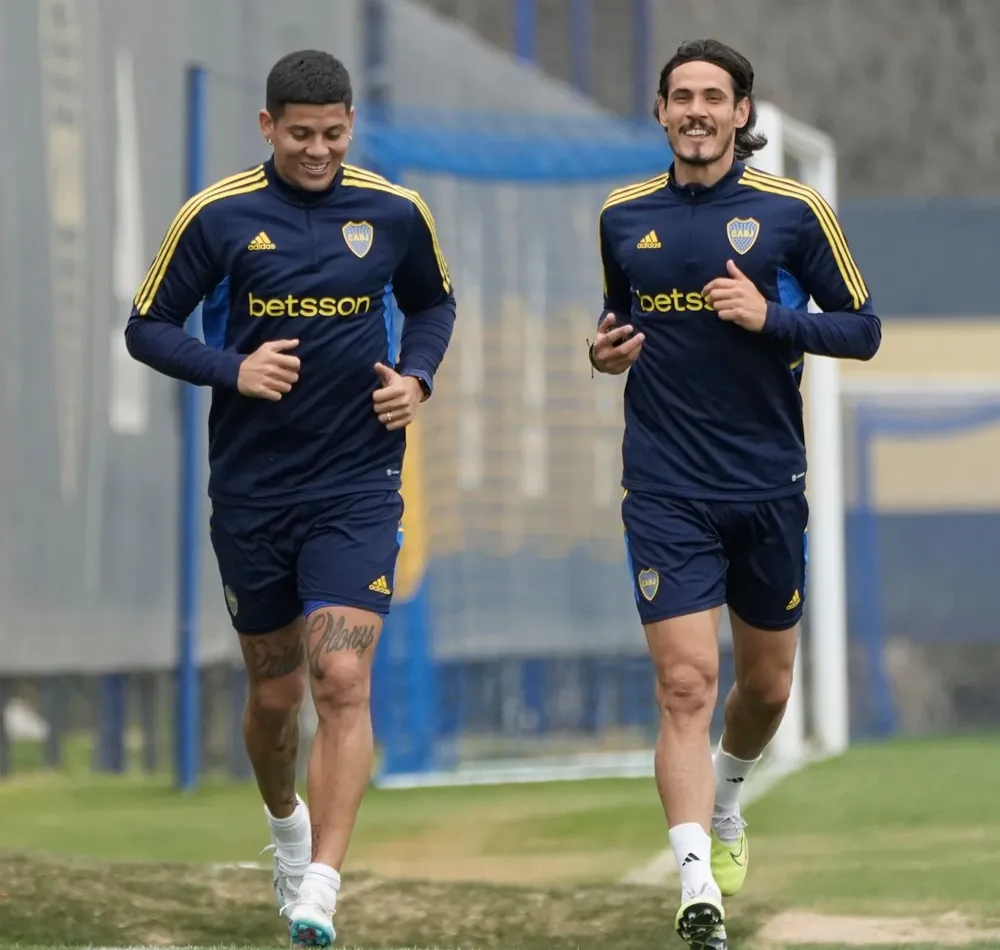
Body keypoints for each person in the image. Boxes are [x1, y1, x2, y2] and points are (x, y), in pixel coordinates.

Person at [125, 49, 456, 947]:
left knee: (341, 678)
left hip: (358, 483)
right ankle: (285, 829)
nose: (318, 151)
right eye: (301, 134)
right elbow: (146, 327)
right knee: (275, 698)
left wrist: (417, 378)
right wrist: (232, 368)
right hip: (254, 491)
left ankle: (322, 887)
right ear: (268, 126)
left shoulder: (394, 211)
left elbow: (433, 306)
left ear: (351, 125)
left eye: (334, 134)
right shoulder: (217, 215)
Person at [590, 38, 880, 950]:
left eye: (713, 97)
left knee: (766, 686)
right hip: (664, 486)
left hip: (766, 485)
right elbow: (618, 319)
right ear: (661, 112)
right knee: (686, 683)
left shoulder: (792, 212)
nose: (696, 111)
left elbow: (863, 329)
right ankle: (696, 889)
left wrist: (771, 318)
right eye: (681, 96)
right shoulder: (622, 215)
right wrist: (603, 352)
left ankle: (727, 799)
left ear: (741, 112)